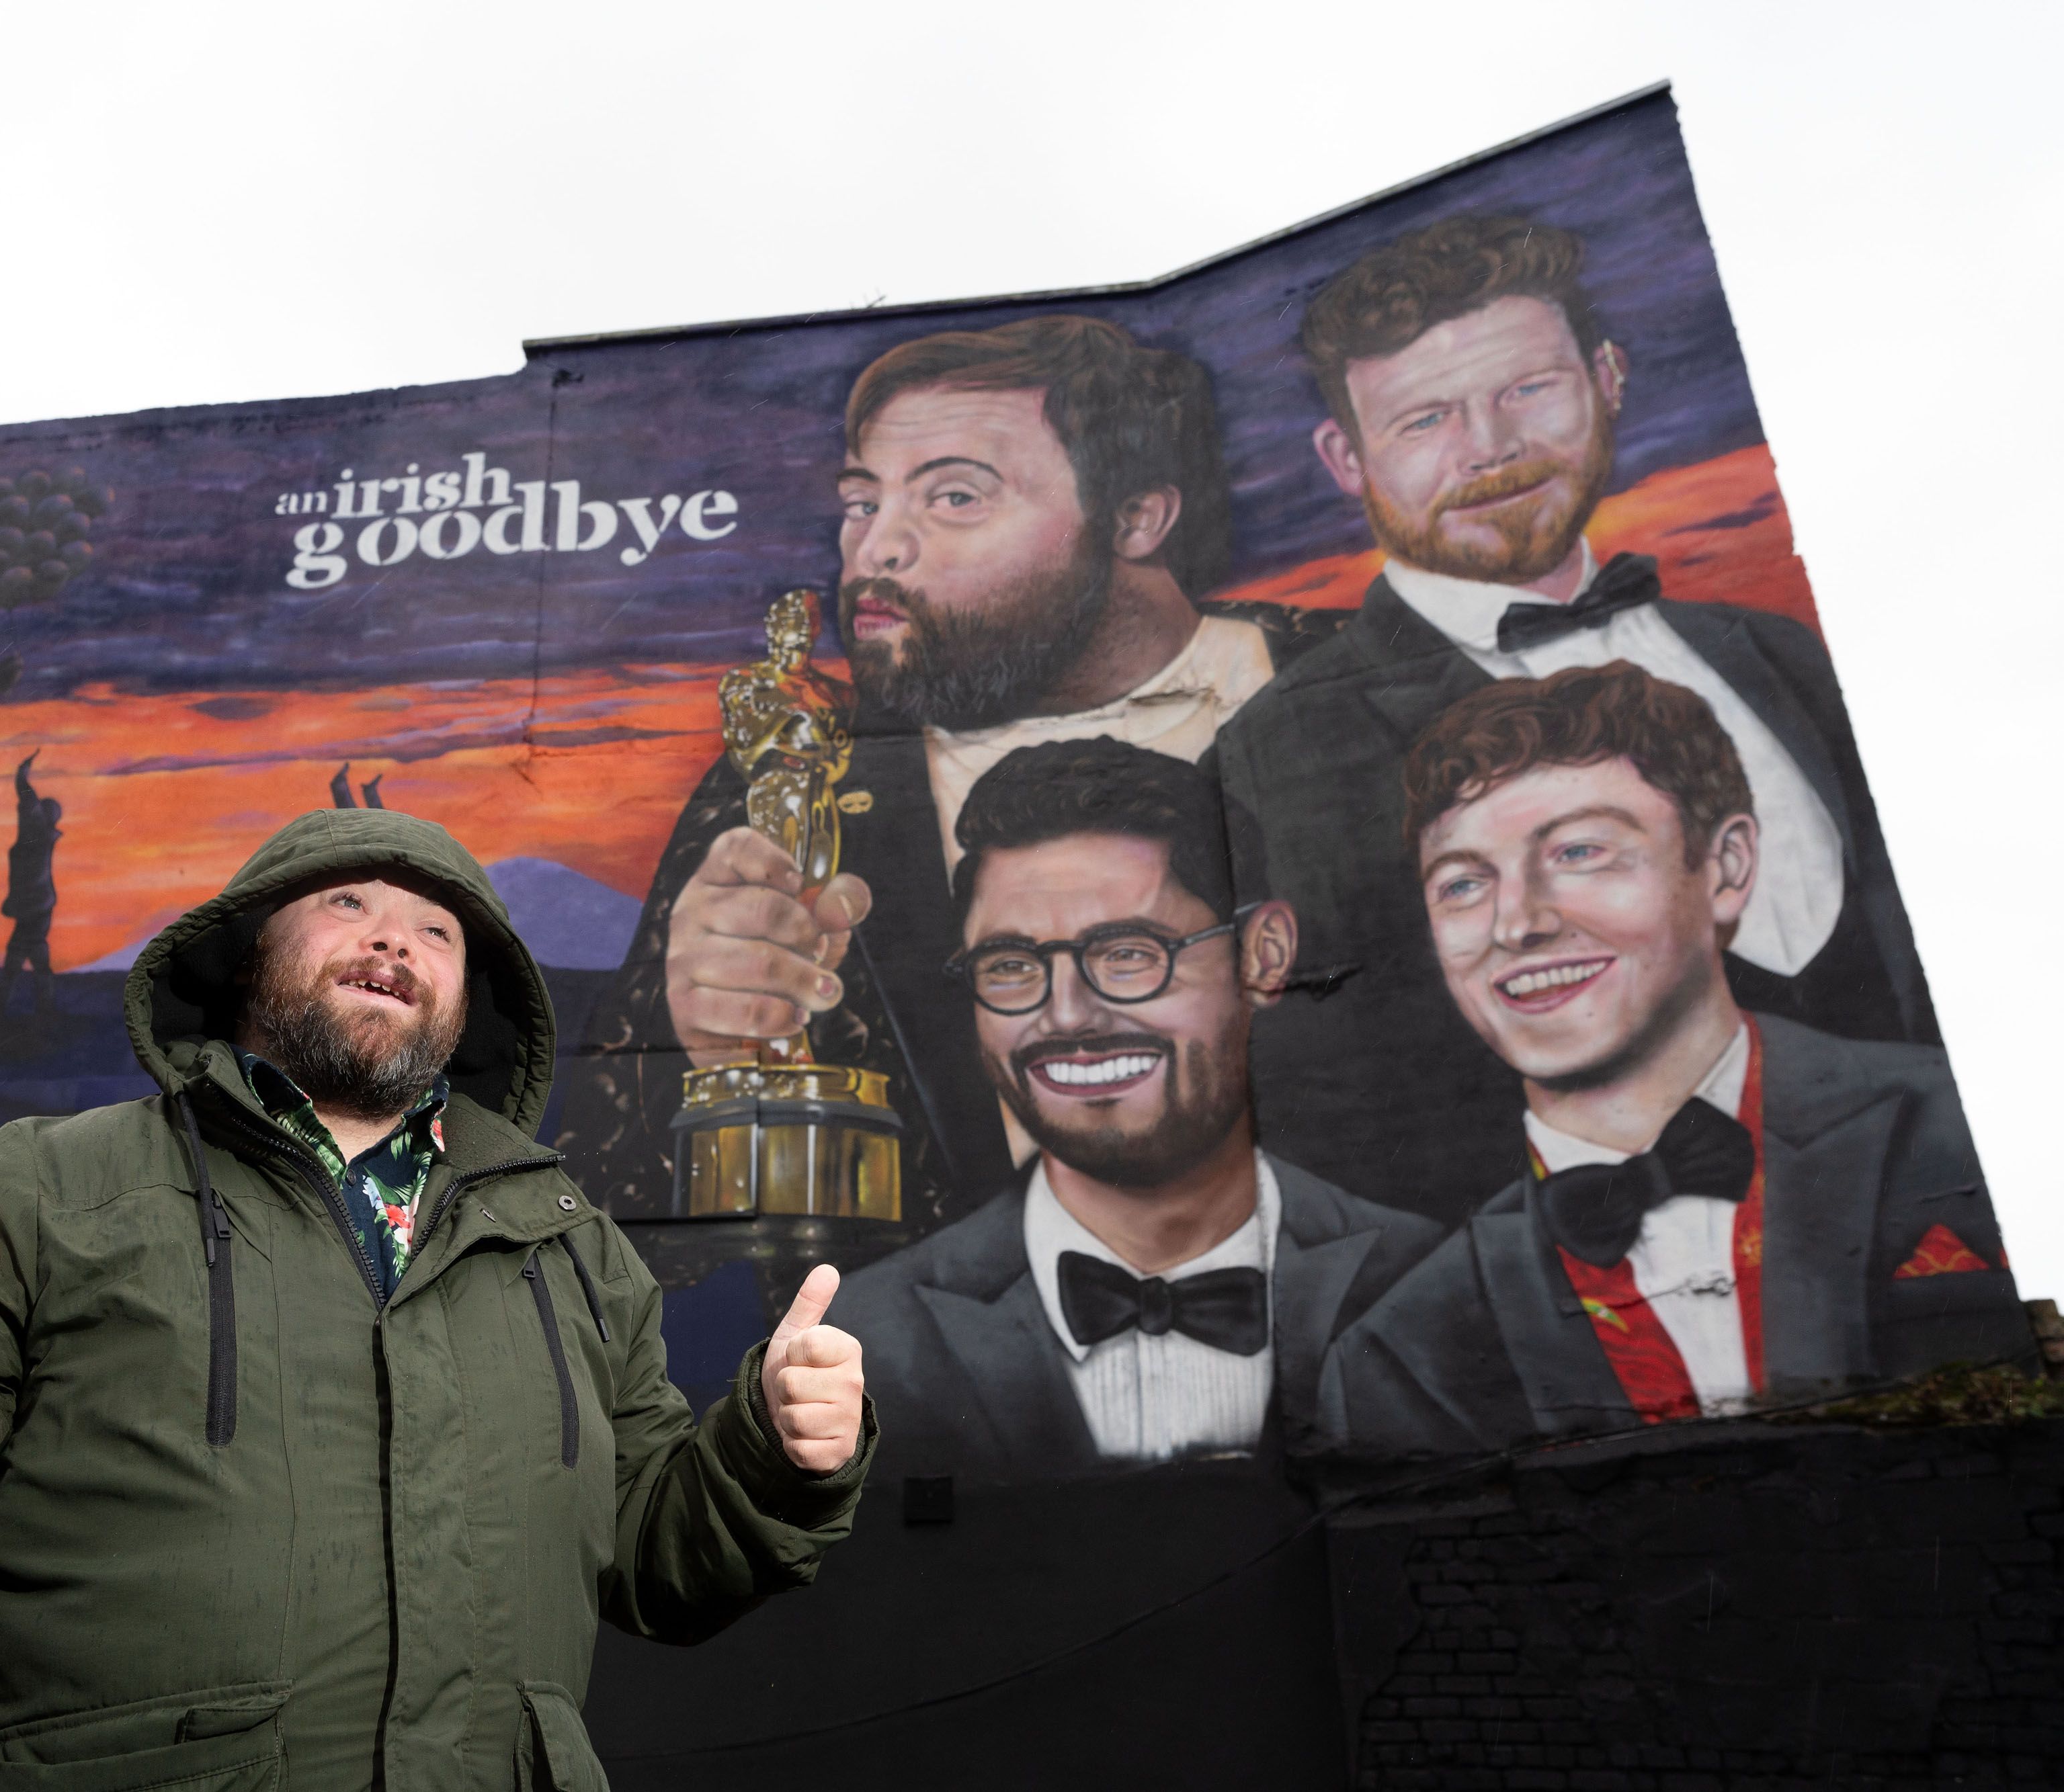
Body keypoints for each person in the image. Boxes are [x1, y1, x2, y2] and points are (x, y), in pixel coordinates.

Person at [0, 807, 873, 1792]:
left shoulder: (572, 1248)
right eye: (347, 905)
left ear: (474, 1000)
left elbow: (663, 1562)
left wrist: (771, 1454)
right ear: (249, 949)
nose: (394, 943)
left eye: (436, 929)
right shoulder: (46, 1185)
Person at [1212, 214, 1936, 1222]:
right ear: (1345, 455)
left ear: (1608, 376)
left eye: (1528, 389)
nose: (1491, 448)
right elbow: (1348, 1108)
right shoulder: (1274, 751)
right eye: (1426, 420)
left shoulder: (1775, 651)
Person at [561, 314, 1339, 1234]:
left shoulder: (1357, 700)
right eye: (863, 503)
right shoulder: (794, 769)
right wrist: (695, 1053)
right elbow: (603, 1194)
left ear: (1135, 516)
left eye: (955, 498)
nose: (878, 548)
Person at [1321, 665, 2024, 1457]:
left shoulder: (1981, 1121)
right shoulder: (1402, 1352)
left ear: (1725, 868)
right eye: (1461, 885)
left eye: (1580, 850)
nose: (1515, 923)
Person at [837, 739, 1441, 1479]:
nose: (1065, 1017)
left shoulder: (1440, 1286)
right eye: (1010, 966)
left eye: (1127, 953)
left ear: (1264, 955)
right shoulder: (865, 1340)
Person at [0, 751, 61, 1015]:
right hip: (37, 904)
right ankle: (44, 1007)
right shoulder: (41, 835)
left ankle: (6, 1007)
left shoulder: (36, 834)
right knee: (33, 953)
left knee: (21, 955)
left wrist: (22, 771)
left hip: (35, 905)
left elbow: (26, 796)